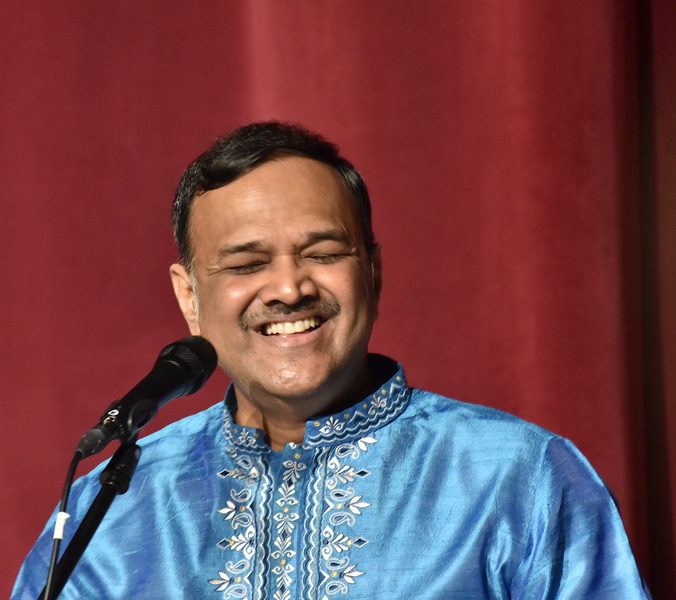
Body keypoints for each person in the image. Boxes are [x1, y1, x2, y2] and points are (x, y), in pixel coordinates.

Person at [12, 122, 651, 599]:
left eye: (322, 254)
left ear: (372, 271)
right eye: (246, 264)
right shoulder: (111, 508)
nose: (289, 289)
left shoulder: (521, 478)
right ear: (190, 298)